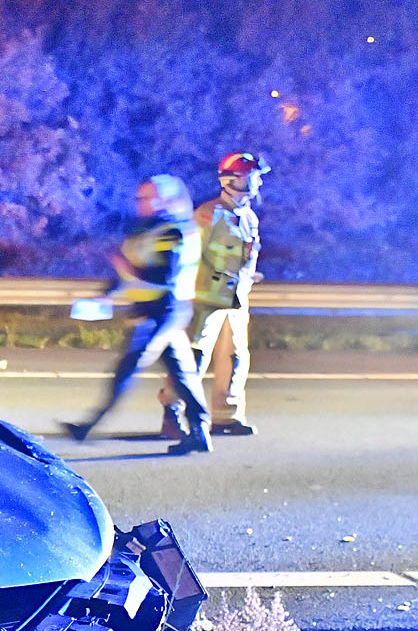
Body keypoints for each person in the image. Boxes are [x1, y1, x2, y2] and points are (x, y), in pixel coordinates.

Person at [63, 175, 212, 454]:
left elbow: (164, 276)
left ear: (164, 199)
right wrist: (107, 294)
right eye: (139, 197)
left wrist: (128, 273)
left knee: (127, 368)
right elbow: (131, 270)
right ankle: (200, 433)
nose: (140, 203)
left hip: (163, 311)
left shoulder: (172, 231)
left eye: (147, 197)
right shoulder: (146, 230)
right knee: (183, 375)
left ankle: (88, 425)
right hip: (157, 311)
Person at [160, 151, 269, 437]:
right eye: (251, 177)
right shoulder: (208, 215)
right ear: (234, 180)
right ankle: (174, 412)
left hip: (235, 297)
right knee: (194, 356)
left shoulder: (249, 218)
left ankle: (226, 415)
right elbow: (188, 255)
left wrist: (247, 276)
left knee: (234, 355)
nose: (256, 182)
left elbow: (246, 255)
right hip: (206, 297)